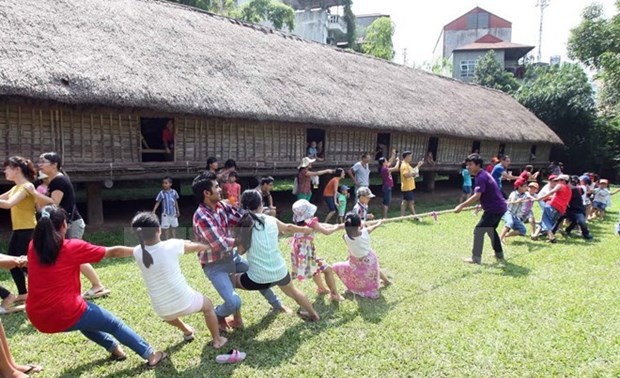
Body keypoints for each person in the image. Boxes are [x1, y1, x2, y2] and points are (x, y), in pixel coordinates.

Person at [26, 205, 167, 368]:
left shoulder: (32, 246)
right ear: (64, 225)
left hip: (38, 318)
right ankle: (151, 355)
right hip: (65, 313)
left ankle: (115, 349)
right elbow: (112, 252)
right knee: (114, 324)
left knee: (85, 320)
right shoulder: (71, 247)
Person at [192, 171, 289, 332]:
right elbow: (221, 244)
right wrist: (244, 240)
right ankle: (217, 315)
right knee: (234, 302)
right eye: (216, 187)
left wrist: (263, 219)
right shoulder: (201, 216)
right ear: (206, 193)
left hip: (233, 258)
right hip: (215, 265)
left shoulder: (222, 206)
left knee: (259, 274)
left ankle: (277, 305)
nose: (220, 189)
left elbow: (242, 217)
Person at [130, 212, 228, 348]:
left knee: (169, 316)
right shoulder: (172, 245)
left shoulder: (137, 252)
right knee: (208, 306)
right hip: (186, 301)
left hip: (162, 310)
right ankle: (217, 340)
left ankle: (187, 331)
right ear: (159, 230)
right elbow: (195, 247)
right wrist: (211, 245)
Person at [27, 152, 110, 300]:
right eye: (39, 161)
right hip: (65, 224)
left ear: (54, 165)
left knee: (76, 257)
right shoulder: (54, 181)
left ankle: (97, 285)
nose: (39, 164)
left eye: (43, 161)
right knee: (70, 256)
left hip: (71, 224)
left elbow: (54, 202)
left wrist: (34, 193)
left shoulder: (58, 181)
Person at [232, 190, 320, 321]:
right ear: (261, 204)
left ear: (242, 206)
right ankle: (314, 314)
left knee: (228, 281)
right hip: (281, 272)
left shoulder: (245, 224)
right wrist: (305, 230)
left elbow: (240, 251)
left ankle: (236, 320)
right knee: (294, 292)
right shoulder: (271, 219)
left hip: (257, 279)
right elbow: (288, 227)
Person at [455, 154, 507, 264]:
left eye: (470, 164)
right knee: (491, 230)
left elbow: (476, 195)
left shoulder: (481, 177)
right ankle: (499, 254)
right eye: (467, 165)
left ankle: (476, 258)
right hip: (499, 207)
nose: (468, 167)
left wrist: (461, 206)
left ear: (478, 165)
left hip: (494, 208)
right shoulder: (484, 174)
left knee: (479, 230)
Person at [0, 156, 37, 304]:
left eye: (7, 168)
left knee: (26, 263)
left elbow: (8, 203)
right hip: (19, 230)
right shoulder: (15, 188)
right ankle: (23, 293)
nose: (5, 171)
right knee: (13, 262)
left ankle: (41, 289)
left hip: (28, 229)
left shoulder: (27, 187)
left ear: (17, 170)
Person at [291, 200, 344, 301]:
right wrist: (337, 227)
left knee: (315, 270)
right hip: (306, 252)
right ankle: (335, 295)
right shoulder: (311, 221)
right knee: (328, 270)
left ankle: (322, 288)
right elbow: (326, 232)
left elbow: (321, 225)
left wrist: (335, 226)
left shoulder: (301, 222)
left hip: (301, 251)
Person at [333, 213, 390, 299]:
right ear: (359, 224)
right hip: (369, 259)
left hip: (356, 260)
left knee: (340, 267)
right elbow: (374, 226)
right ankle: (386, 281)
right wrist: (379, 222)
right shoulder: (365, 231)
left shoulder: (345, 237)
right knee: (375, 270)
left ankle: (385, 281)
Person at [532, 174, 572, 243]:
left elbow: (551, 192)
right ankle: (545, 235)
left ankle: (551, 236)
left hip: (552, 206)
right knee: (548, 222)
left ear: (564, 181)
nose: (558, 182)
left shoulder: (560, 185)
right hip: (560, 209)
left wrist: (540, 198)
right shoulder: (569, 190)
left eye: (559, 180)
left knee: (545, 221)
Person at [399, 151, 423, 217]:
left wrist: (418, 166)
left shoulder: (407, 164)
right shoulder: (404, 165)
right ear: (406, 157)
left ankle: (402, 215)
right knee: (411, 202)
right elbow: (406, 175)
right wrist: (414, 174)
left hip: (408, 187)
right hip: (407, 187)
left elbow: (412, 171)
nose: (411, 158)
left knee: (405, 201)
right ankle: (415, 216)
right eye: (410, 156)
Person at [378, 150, 400, 219]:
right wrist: (398, 161)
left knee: (387, 201)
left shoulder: (385, 167)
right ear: (383, 163)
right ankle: (385, 217)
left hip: (387, 186)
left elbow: (390, 161)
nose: (387, 161)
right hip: (387, 187)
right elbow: (396, 168)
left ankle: (385, 216)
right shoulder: (384, 169)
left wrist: (393, 154)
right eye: (386, 160)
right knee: (386, 202)